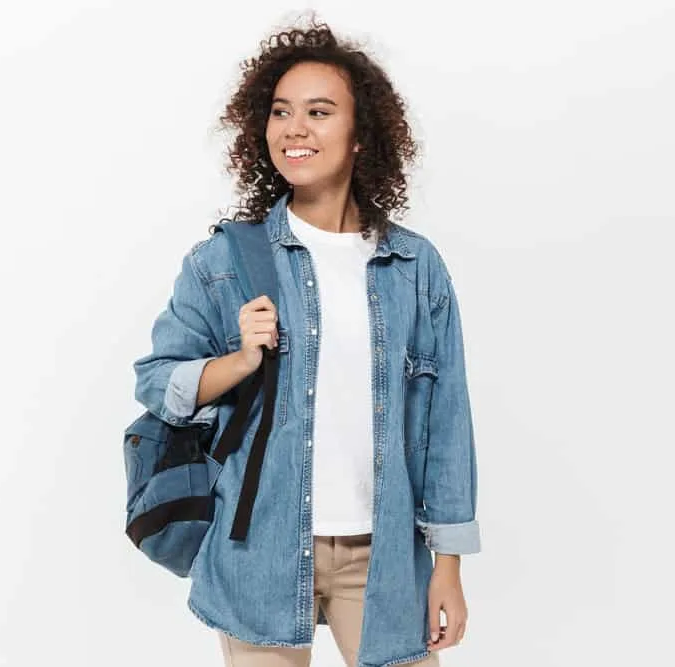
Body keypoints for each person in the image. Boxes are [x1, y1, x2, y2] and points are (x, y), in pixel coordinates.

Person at [133, 17, 480, 667]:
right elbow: (158, 381)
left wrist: (449, 564)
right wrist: (238, 361)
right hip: (258, 549)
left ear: (359, 137)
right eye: (281, 112)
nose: (295, 129)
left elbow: (446, 421)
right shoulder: (226, 260)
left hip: (383, 559)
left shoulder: (413, 265)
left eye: (319, 112)